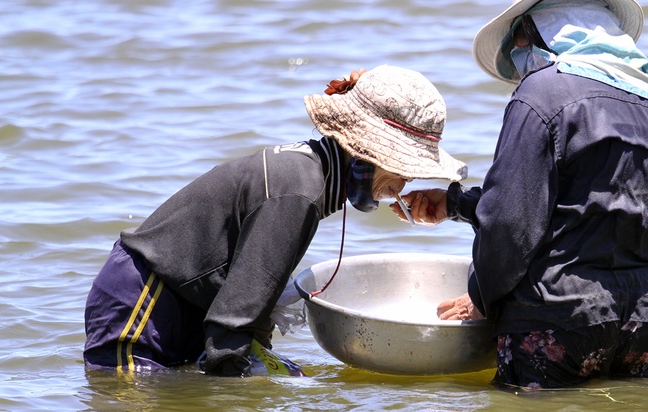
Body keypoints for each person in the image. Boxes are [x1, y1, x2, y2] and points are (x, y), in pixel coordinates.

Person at [84, 64, 468, 377]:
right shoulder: (297, 194)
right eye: (403, 166)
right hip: (142, 309)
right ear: (366, 152)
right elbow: (230, 330)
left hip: (175, 301)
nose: (406, 183)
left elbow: (243, 300)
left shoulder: (307, 173)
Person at [392, 0, 648, 389]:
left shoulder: (542, 92)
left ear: (541, 32)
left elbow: (510, 223)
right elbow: (589, 205)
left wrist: (481, 296)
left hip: (560, 319)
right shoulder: (642, 103)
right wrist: (456, 204)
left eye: (518, 42)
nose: (517, 56)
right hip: (639, 324)